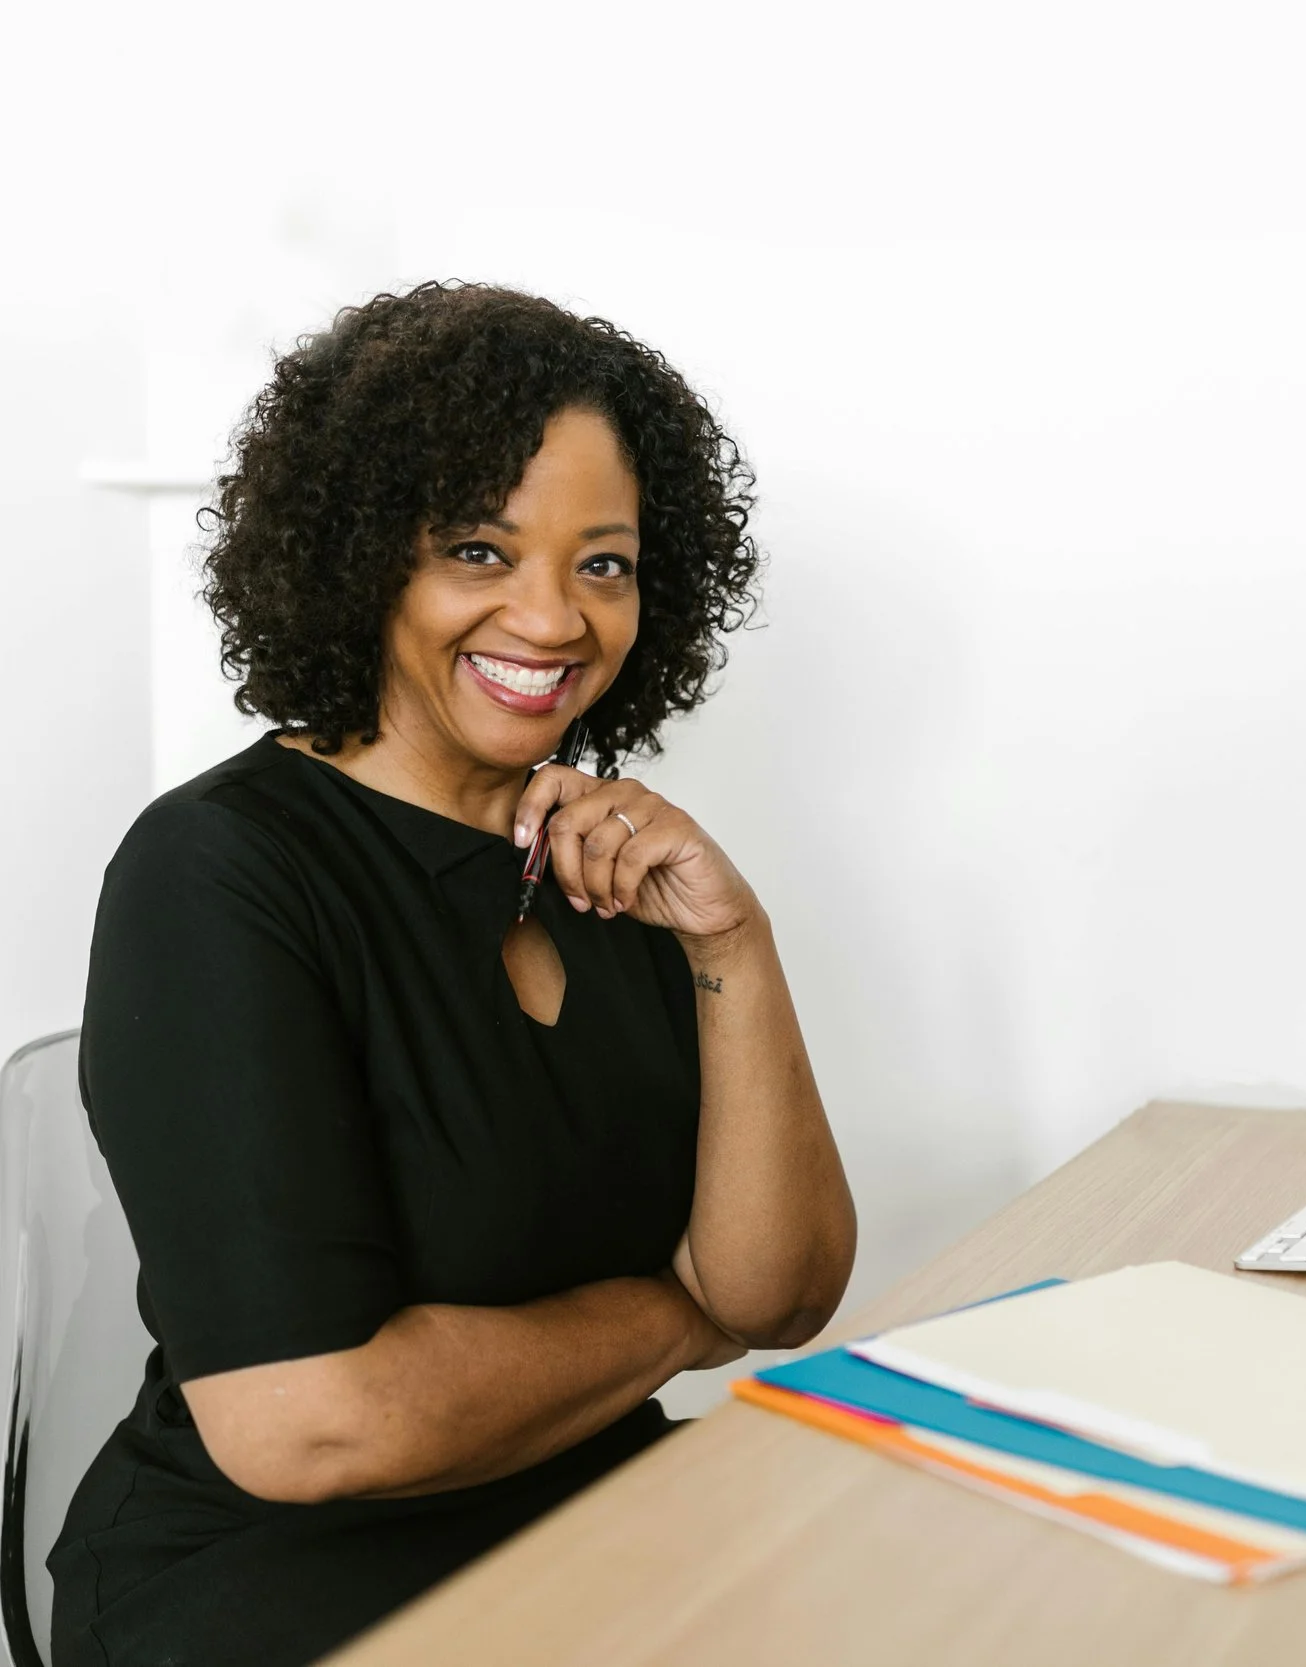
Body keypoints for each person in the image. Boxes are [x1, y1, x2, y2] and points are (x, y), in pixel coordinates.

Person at [47, 282, 857, 1667]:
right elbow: (314, 1423)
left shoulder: (606, 858)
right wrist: (676, 1312)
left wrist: (733, 941)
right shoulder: (220, 872)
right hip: (283, 1587)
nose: (551, 618)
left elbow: (775, 1292)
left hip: (592, 1519)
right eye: (479, 550)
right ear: (364, 560)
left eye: (603, 562)